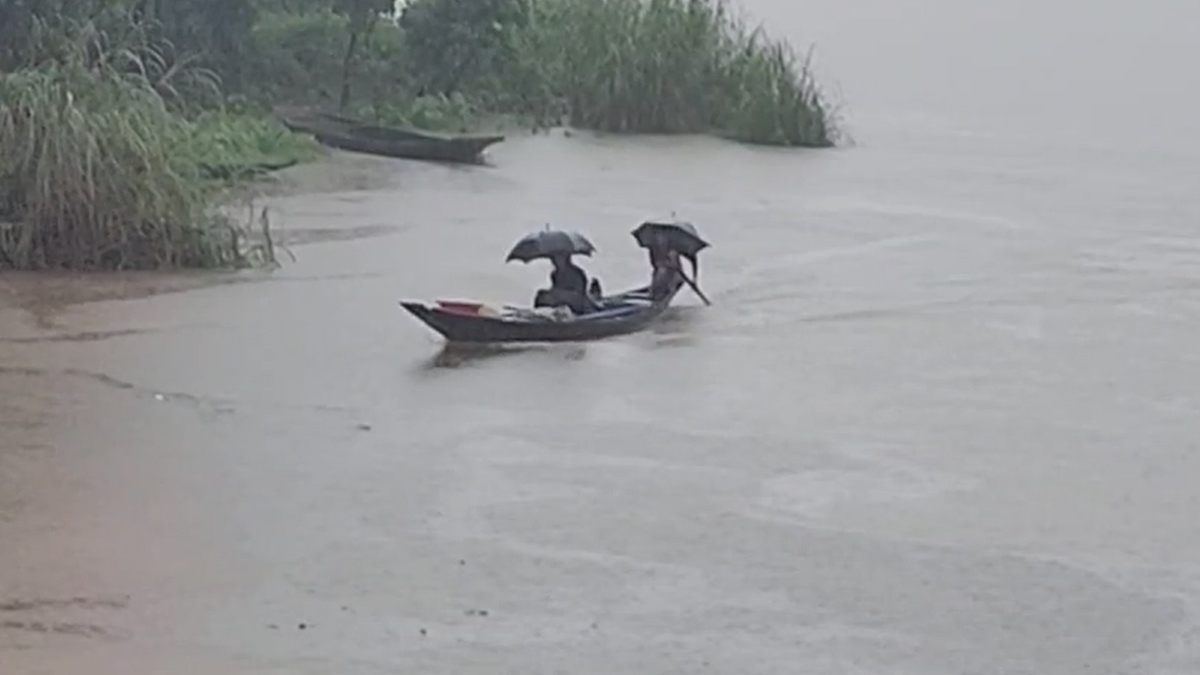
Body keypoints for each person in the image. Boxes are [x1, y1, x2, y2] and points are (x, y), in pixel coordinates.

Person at [645, 232, 683, 301]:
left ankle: (661, 295)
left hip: (672, 275)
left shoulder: (672, 249)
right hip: (660, 273)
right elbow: (654, 263)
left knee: (662, 272)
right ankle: (655, 293)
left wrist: (664, 264)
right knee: (659, 273)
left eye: (661, 238)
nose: (659, 240)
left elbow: (676, 266)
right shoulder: (653, 249)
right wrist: (659, 264)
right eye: (657, 238)